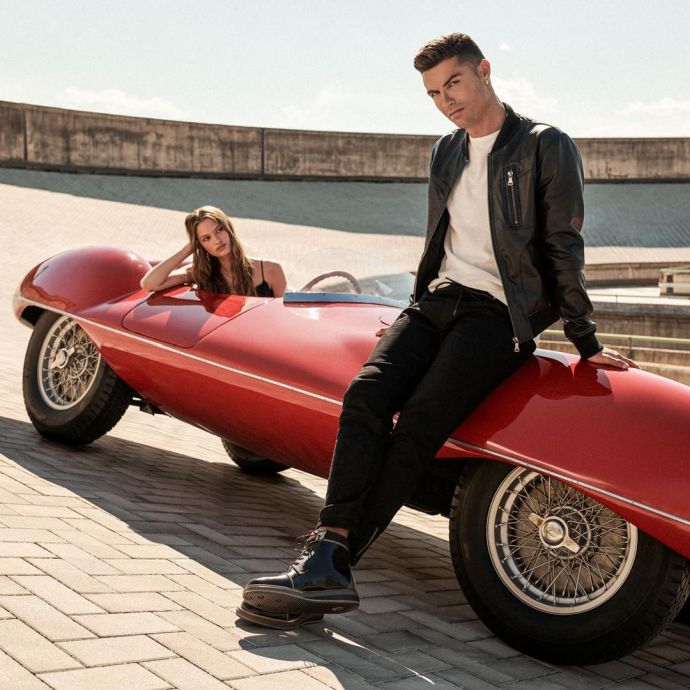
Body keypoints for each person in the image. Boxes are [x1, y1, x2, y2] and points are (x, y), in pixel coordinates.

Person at [237, 33, 637, 629]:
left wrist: (586, 341)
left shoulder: (543, 145)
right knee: (365, 397)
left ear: (484, 71)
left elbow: (562, 245)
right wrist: (416, 305)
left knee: (421, 422)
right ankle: (329, 556)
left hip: (497, 314)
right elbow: (439, 238)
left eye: (453, 83)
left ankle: (329, 563)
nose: (446, 101)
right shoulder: (445, 151)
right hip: (435, 302)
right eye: (432, 93)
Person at [140, 205, 287, 297]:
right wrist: (186, 250)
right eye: (206, 238)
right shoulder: (200, 272)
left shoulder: (270, 270)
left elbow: (284, 318)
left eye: (219, 230)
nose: (217, 240)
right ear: (199, 245)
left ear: (228, 228)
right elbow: (149, 284)